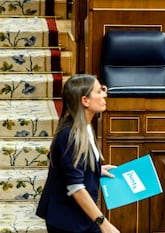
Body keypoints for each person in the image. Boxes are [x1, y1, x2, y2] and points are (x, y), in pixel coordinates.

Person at [36, 74, 120, 233]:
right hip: (68, 221)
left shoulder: (85, 127)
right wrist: (104, 224)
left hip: (78, 217)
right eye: (99, 91)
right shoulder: (70, 135)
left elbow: (70, 167)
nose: (105, 94)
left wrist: (94, 170)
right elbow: (76, 188)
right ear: (85, 101)